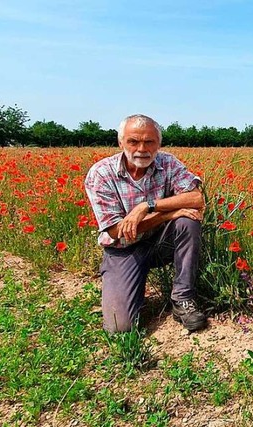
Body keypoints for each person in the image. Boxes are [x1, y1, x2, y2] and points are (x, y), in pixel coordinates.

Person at [84, 114, 208, 333]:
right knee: (120, 328)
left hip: (160, 242)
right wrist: (166, 215)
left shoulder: (168, 163)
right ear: (120, 142)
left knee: (188, 220)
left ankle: (183, 299)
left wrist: (147, 206)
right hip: (123, 250)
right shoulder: (102, 174)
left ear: (158, 144)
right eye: (133, 141)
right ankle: (126, 284)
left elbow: (196, 199)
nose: (142, 148)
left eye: (149, 141)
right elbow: (116, 231)